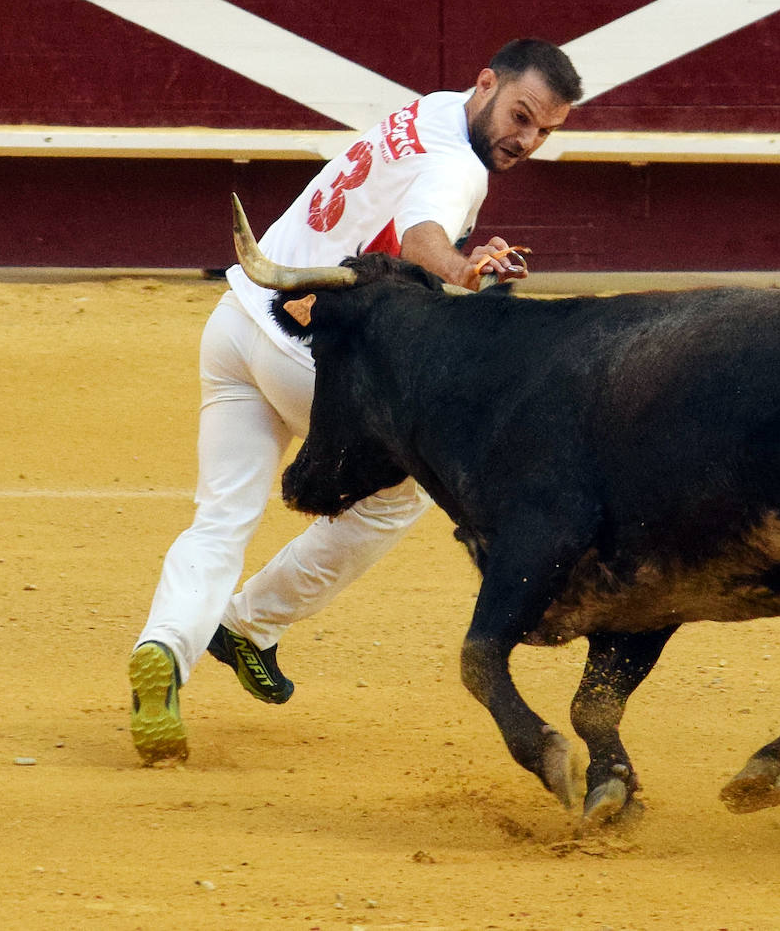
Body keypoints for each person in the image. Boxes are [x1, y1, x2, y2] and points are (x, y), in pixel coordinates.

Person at [129, 38, 582, 764]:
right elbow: (420, 232)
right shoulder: (461, 165)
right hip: (309, 356)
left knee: (220, 518)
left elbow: (400, 229)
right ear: (487, 81)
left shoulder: (431, 113)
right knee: (401, 493)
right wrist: (465, 268)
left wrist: (461, 257)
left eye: (543, 132)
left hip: (236, 321)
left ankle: (163, 648)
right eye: (521, 117)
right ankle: (250, 626)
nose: (525, 140)